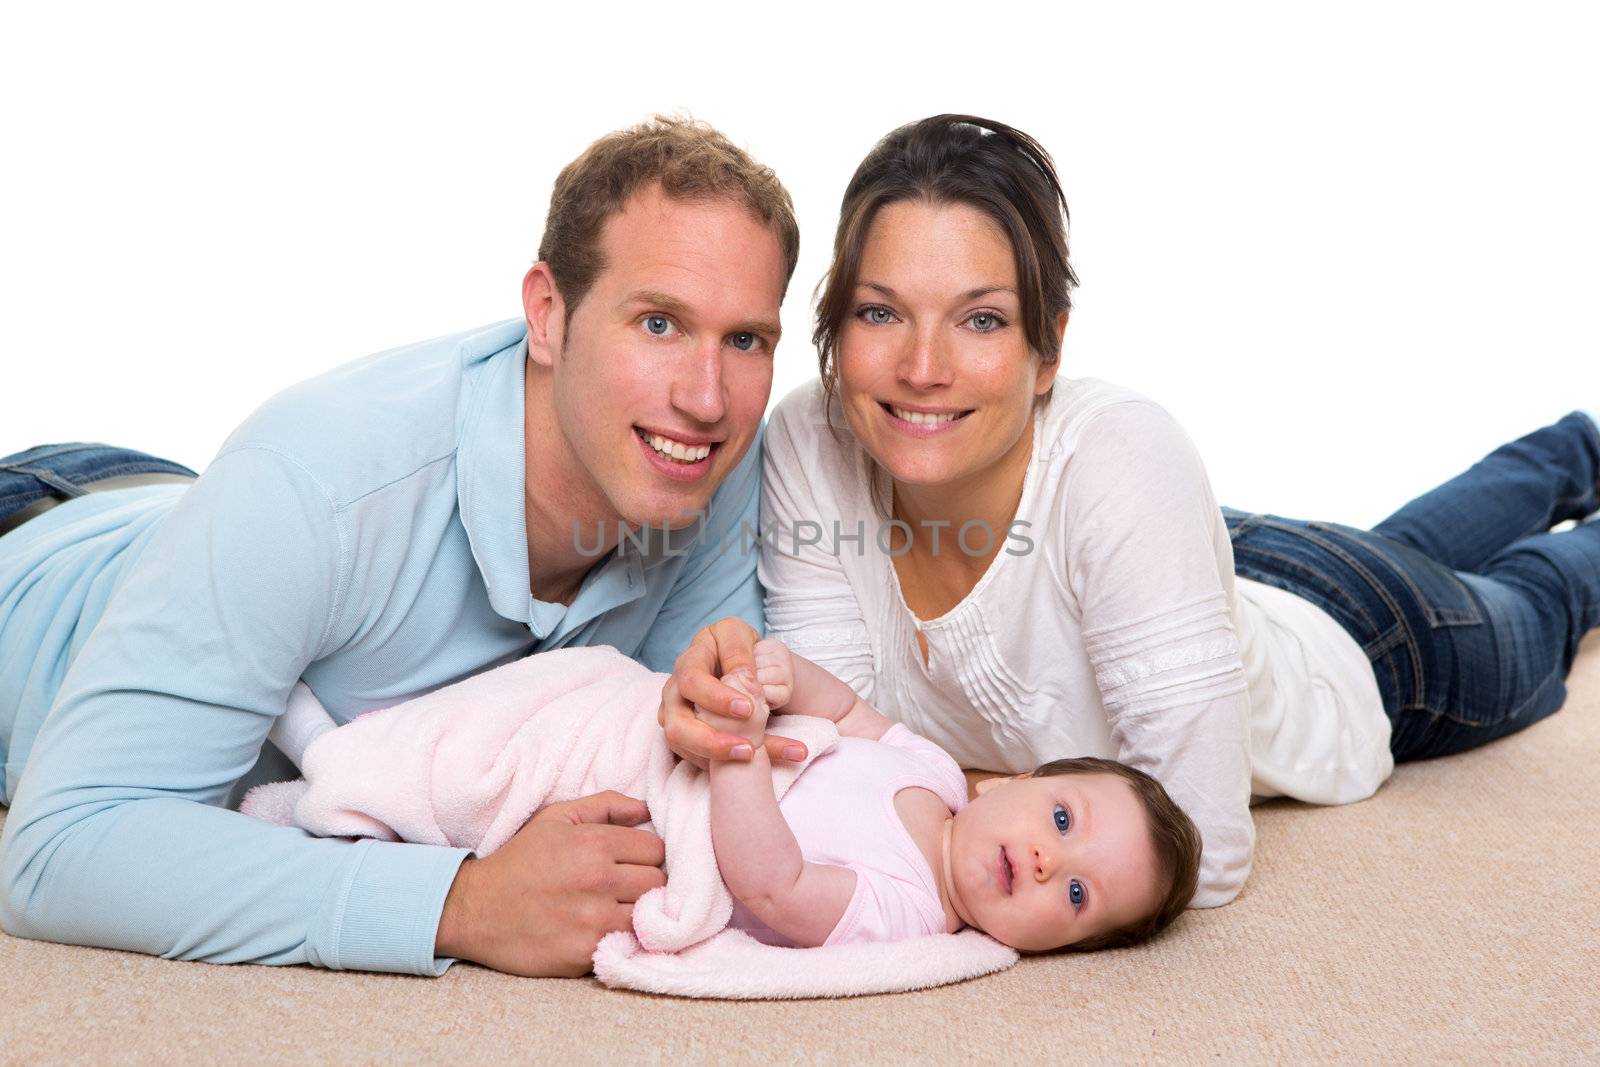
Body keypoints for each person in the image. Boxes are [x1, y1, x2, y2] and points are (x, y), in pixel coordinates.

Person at [661, 113, 1600, 910]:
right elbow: (836, 750)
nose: (921, 367)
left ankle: (1582, 459)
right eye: (880, 312)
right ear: (833, 326)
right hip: (1194, 564)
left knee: (1538, 601)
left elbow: (1206, 847)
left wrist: (972, 794)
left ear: (1049, 348)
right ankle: (1571, 452)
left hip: (1355, 643)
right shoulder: (809, 441)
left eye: (981, 319)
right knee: (1404, 544)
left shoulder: (1124, 459)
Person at [0, 115, 810, 979]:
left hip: (170, 500)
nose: (707, 396)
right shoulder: (314, 483)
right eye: (658, 324)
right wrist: (460, 900)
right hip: (32, 535)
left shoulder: (711, 465)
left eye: (746, 339)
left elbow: (695, 778)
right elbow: (59, 847)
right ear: (548, 313)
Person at [255, 635, 1202, 953]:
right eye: (1065, 819)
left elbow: (772, 882)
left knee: (483, 784)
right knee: (551, 691)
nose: (1047, 859)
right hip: (643, 730)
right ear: (1023, 781)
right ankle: (348, 743)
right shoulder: (938, 773)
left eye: (1075, 895)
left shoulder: (909, 912)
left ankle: (326, 774)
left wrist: (742, 754)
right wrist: (789, 677)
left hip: (662, 800)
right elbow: (854, 711)